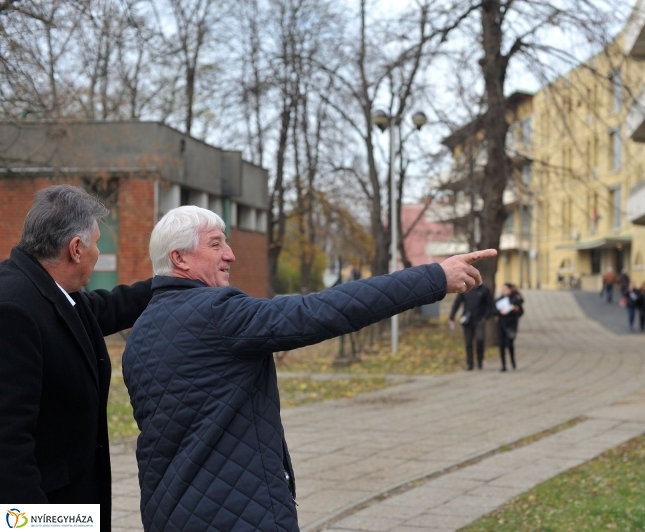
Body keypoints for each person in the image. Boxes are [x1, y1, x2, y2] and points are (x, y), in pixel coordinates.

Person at [122, 206, 496, 532]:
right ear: (180, 258)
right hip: (240, 517)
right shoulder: (217, 312)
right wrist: (433, 278)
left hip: (167, 514)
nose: (231, 255)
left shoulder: (140, 333)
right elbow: (320, 311)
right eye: (216, 244)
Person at [0, 185, 153, 532]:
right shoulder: (13, 309)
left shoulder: (47, 289)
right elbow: (7, 445)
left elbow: (107, 308)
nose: (99, 251)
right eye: (97, 243)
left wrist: (170, 283)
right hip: (45, 511)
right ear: (77, 249)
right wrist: (35, 526)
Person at [449, 278, 495, 370]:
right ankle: (470, 363)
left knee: (480, 339)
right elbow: (457, 303)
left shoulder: (484, 290)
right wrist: (452, 316)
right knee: (468, 342)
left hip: (480, 320)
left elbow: (490, 305)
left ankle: (480, 360)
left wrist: (486, 317)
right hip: (468, 320)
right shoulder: (465, 289)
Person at [496, 283, 524, 372]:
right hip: (501, 324)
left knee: (509, 343)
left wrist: (511, 309)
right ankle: (503, 364)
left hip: (511, 324)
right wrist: (500, 312)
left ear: (509, 290)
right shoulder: (499, 300)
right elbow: (493, 310)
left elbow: (520, 311)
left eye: (505, 289)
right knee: (501, 344)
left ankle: (512, 361)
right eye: (502, 289)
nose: (503, 291)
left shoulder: (515, 299)